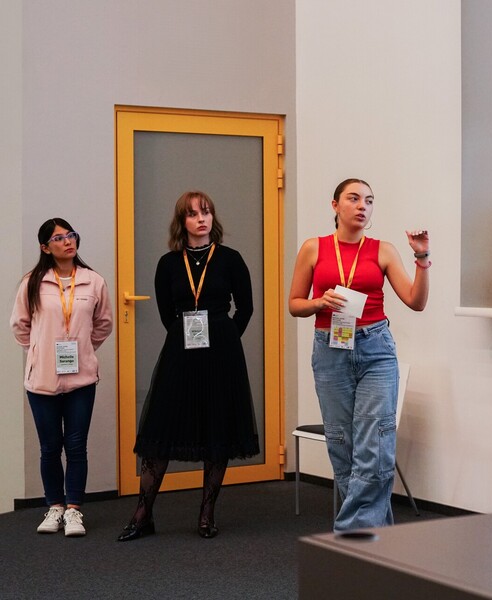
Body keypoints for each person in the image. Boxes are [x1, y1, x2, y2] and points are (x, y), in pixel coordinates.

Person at [117, 190, 259, 541]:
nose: (201, 219)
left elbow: (245, 308)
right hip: (181, 351)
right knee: (160, 429)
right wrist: (186, 337)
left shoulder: (230, 259)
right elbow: (167, 313)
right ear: (182, 221)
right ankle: (143, 515)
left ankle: (207, 514)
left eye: (206, 212)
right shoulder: (168, 263)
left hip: (222, 353)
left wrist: (226, 337)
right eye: (193, 214)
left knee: (216, 429)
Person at [288, 178, 430, 531]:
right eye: (353, 198)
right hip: (330, 349)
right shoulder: (313, 248)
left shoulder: (383, 250)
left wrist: (421, 258)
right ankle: (376, 536)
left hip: (375, 349)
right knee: (342, 445)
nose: (362, 206)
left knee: (375, 443)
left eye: (369, 200)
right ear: (335, 205)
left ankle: (352, 537)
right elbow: (294, 304)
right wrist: (319, 302)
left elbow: (416, 301)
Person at [10, 218, 113, 537]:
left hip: (81, 379)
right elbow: (20, 325)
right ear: (45, 247)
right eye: (59, 238)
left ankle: (74, 509)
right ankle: (55, 506)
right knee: (50, 446)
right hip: (42, 380)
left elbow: (104, 323)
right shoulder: (32, 282)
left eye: (71, 235)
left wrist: (83, 350)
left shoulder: (93, 281)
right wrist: (39, 352)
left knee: (77, 445)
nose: (68, 241)